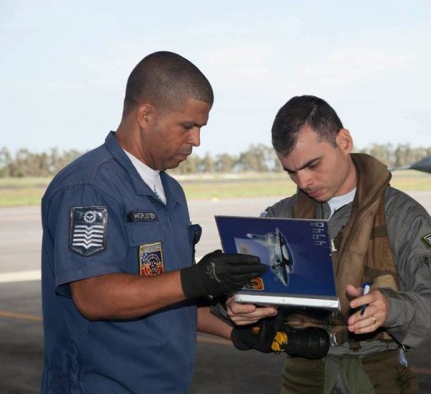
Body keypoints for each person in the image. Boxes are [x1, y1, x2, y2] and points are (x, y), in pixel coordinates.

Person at [40, 51, 266, 393]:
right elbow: (93, 296)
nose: (197, 141)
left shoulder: (170, 191)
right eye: (187, 127)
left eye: (201, 128)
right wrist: (197, 279)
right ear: (146, 114)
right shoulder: (89, 187)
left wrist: (236, 332)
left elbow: (168, 295)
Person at [225, 95, 431, 393]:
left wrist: (392, 309)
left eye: (312, 165)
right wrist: (234, 304)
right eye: (292, 171)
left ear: (343, 141)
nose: (303, 182)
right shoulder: (280, 218)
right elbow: (241, 290)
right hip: (304, 375)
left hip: (376, 374)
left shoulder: (401, 217)